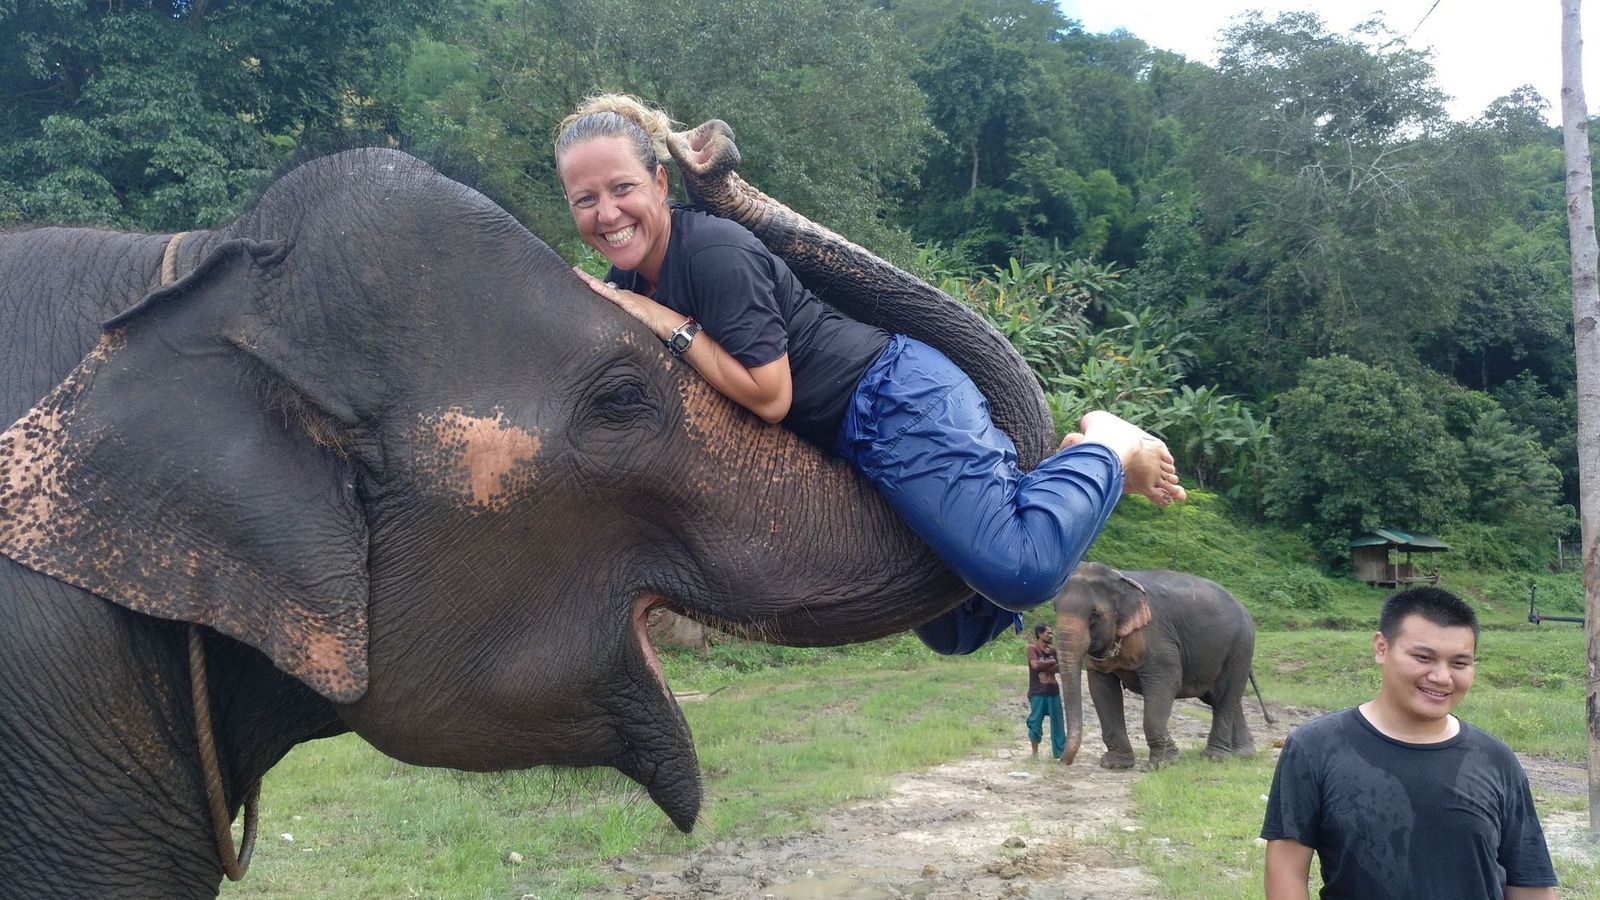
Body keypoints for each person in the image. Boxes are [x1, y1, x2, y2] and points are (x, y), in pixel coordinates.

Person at [553, 94, 1185, 655]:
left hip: (892, 398)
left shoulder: (711, 253)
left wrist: (660, 318)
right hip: (846, 443)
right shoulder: (630, 282)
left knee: (1021, 571)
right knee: (954, 625)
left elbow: (770, 396)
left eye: (621, 188)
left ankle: (1106, 441)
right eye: (586, 199)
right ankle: (1060, 477)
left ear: (661, 183)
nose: (607, 213)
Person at [1260, 587, 1557, 900]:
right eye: (1423, 657)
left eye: (1459, 664)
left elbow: (1529, 884)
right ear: (1381, 648)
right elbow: (1286, 875)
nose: (1442, 677)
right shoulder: (1315, 748)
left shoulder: (1495, 759)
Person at [1026, 623, 1065, 759]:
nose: (1050, 635)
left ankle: (1060, 753)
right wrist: (1051, 663)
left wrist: (1046, 665)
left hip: (1053, 692)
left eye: (1051, 633)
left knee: (1058, 723)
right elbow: (1035, 665)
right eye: (1048, 633)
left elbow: (1061, 667)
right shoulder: (1032, 649)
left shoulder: (1053, 651)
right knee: (1035, 722)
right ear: (1040, 634)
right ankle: (1034, 753)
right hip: (1037, 691)